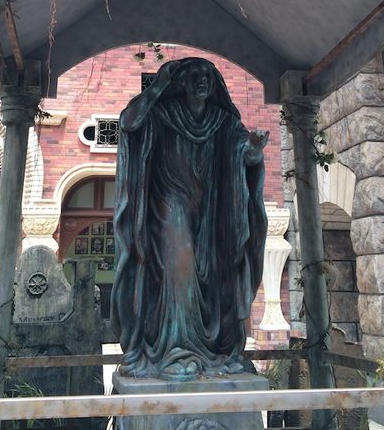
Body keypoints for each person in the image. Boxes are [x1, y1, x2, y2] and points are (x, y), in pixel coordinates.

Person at [111, 57, 268, 380]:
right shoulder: (162, 114)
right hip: (168, 204)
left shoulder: (222, 122)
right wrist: (157, 86)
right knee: (179, 269)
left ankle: (211, 351)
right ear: (180, 82)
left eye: (208, 75)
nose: (202, 80)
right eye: (194, 74)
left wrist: (253, 150)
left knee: (214, 278)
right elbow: (128, 122)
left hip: (211, 210)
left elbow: (244, 153)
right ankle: (176, 351)